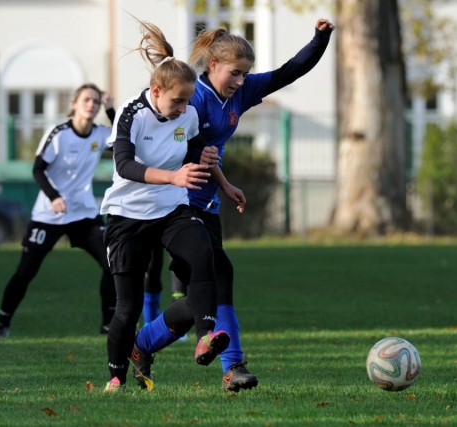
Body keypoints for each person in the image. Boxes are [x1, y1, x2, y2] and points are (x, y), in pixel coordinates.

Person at [136, 18, 335, 392]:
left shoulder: (238, 93)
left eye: (245, 74)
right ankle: (233, 366)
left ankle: (143, 343)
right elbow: (168, 144)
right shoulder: (193, 98)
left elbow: (290, 71)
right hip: (175, 205)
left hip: (206, 204)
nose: (241, 81)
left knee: (202, 296)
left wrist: (320, 39)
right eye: (235, 73)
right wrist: (202, 165)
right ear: (213, 65)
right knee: (219, 276)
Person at [101, 19, 229, 393]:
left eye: (188, 101)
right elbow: (124, 165)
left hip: (172, 208)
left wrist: (206, 160)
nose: (184, 108)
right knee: (128, 306)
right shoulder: (131, 113)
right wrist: (173, 176)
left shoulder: (187, 114)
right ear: (156, 90)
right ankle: (116, 377)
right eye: (177, 101)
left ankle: (205, 337)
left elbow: (190, 147)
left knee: (204, 256)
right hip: (128, 215)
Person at [0, 83, 118, 338]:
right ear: (74, 104)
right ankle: (2, 323)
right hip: (50, 214)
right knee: (26, 271)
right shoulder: (59, 133)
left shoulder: (101, 133)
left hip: (83, 213)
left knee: (113, 263)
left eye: (96, 101)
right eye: (86, 100)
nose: (91, 105)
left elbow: (124, 140)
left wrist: (111, 110)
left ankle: (108, 323)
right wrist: (54, 196)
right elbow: (38, 169)